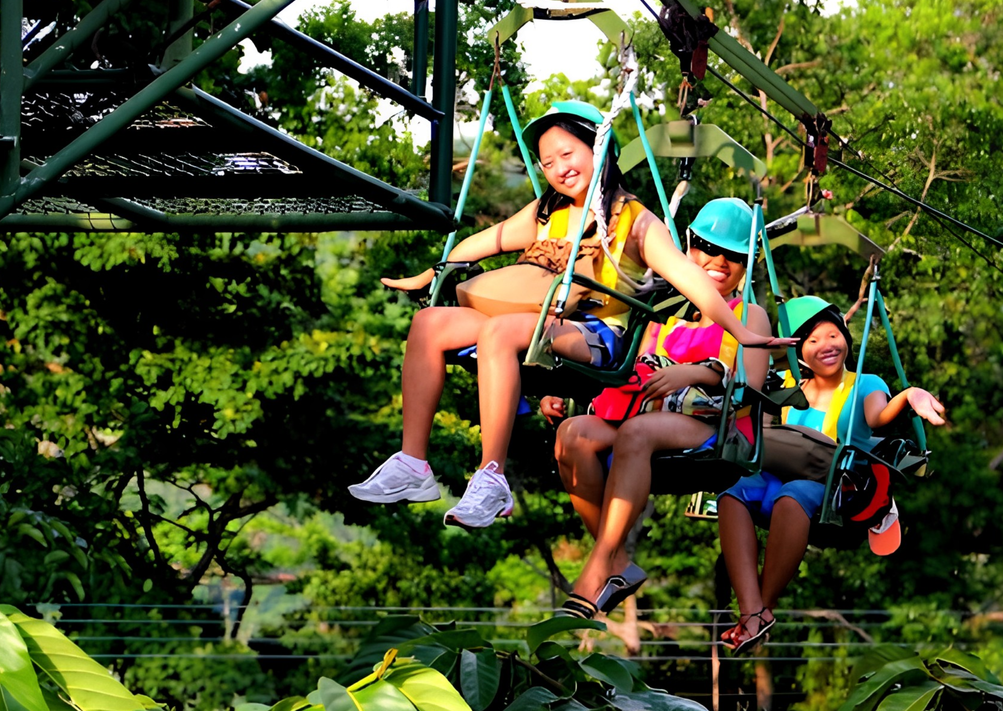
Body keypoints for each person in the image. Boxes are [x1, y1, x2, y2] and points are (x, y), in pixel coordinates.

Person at [349, 101, 794, 529]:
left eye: (567, 154)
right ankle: (413, 463)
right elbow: (481, 243)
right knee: (429, 323)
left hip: (598, 335)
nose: (559, 168)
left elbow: (688, 276)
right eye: (548, 162)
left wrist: (739, 330)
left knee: (501, 331)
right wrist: (432, 273)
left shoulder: (635, 221)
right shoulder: (546, 213)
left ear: (600, 150)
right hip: (536, 321)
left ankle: (491, 476)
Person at [544, 197, 773, 611]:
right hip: (645, 411)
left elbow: (750, 385)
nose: (719, 261)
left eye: (734, 256)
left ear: (747, 264)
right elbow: (622, 366)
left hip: (711, 423)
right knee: (571, 435)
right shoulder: (662, 310)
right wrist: (562, 388)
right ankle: (617, 559)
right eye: (708, 247)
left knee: (637, 432)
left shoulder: (749, 315)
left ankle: (596, 570)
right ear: (688, 245)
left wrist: (698, 372)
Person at [716, 296, 946, 653]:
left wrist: (909, 397)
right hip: (788, 476)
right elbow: (759, 421)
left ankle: (765, 606)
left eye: (833, 335)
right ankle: (751, 610)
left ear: (846, 338)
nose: (826, 345)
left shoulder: (865, 384)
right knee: (733, 491)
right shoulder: (790, 385)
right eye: (813, 340)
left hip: (840, 489)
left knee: (792, 496)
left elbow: (878, 417)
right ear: (799, 351)